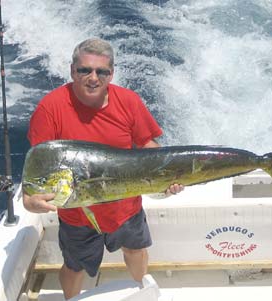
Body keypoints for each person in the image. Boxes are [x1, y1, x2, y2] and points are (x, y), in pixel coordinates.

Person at [23, 38, 184, 299]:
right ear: (73, 71)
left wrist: (168, 179)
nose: (93, 78)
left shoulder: (128, 101)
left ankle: (145, 291)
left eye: (102, 72)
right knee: (75, 267)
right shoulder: (49, 108)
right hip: (78, 213)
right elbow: (40, 162)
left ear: (112, 74)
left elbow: (147, 144)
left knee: (135, 251)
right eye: (85, 70)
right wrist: (29, 199)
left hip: (126, 206)